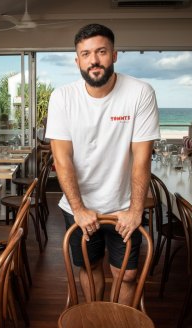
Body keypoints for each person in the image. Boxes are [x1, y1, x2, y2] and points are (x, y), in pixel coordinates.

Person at [46, 23, 160, 304]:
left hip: (124, 207)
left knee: (128, 275)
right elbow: (62, 159)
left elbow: (142, 158)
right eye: (85, 54)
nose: (94, 60)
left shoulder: (140, 92)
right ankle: (96, 316)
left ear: (114, 55)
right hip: (80, 208)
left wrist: (135, 210)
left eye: (101, 52)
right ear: (77, 61)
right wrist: (79, 209)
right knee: (89, 265)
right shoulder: (62, 97)